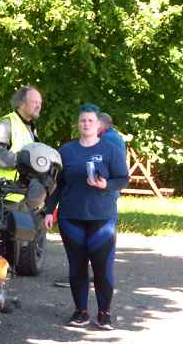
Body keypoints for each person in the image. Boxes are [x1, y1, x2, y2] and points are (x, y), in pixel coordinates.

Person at [43, 104, 129, 330]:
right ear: (78, 124)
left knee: (102, 267)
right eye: (83, 120)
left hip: (102, 217)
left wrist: (105, 184)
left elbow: (122, 179)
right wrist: (49, 210)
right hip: (71, 217)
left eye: (90, 120)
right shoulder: (66, 151)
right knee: (77, 266)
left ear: (98, 124)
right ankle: (80, 312)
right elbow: (57, 185)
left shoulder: (111, 149)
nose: (86, 124)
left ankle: (104, 313)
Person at [0, 85, 42, 181]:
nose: (38, 106)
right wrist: (22, 162)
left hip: (17, 192)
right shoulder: (6, 123)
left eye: (40, 103)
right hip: (0, 191)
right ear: (21, 103)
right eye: (35, 102)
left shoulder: (30, 127)